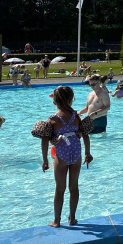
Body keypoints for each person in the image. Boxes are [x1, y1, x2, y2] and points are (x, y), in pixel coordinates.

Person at [41, 86, 93, 227]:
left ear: (55, 101)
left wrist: (45, 159)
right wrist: (88, 153)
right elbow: (86, 135)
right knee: (74, 187)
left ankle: (57, 221)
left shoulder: (53, 119)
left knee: (60, 189)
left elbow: (45, 140)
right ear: (71, 100)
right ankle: (72, 218)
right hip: (76, 152)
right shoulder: (76, 117)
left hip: (62, 154)